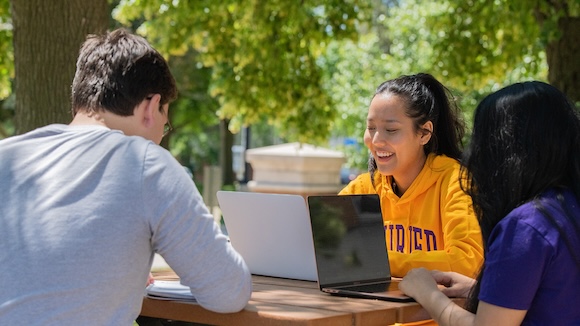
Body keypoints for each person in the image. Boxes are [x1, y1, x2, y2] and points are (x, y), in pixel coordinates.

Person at [0, 28, 252, 325]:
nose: (161, 136)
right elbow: (229, 292)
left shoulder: (7, 156)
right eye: (165, 124)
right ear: (150, 106)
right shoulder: (145, 163)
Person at [399, 81, 580, 325]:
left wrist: (428, 295)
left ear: (503, 152)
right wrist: (481, 289)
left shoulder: (525, 228)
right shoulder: (565, 209)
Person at [339, 73, 483, 279]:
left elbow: (467, 261)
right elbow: (324, 249)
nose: (377, 140)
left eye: (391, 129)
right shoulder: (363, 188)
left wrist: (380, 262)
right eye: (371, 128)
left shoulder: (455, 181)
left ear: (424, 133)